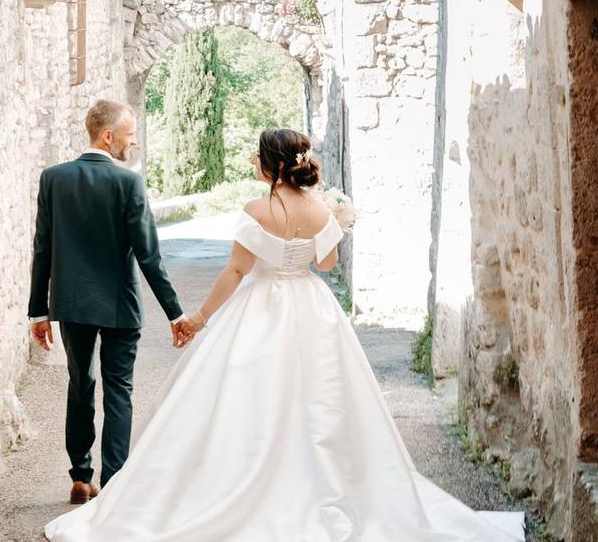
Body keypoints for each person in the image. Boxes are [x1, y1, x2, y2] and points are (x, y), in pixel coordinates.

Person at [44, 128, 525, 541]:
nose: (254, 161)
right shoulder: (320, 210)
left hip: (260, 307)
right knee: (322, 399)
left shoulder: (256, 209)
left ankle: (246, 482)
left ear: (270, 164)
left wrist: (200, 318)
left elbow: (236, 271)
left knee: (248, 398)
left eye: (257, 155)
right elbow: (327, 263)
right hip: (311, 309)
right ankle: (320, 485)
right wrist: (336, 224)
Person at [28, 99, 188, 506]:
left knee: (80, 384)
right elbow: (149, 255)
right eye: (130, 134)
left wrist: (38, 311)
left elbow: (42, 248)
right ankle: (114, 486)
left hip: (72, 305)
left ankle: (81, 478)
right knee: (119, 391)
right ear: (107, 136)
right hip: (120, 306)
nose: (134, 142)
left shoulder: (53, 178)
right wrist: (176, 313)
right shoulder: (128, 183)